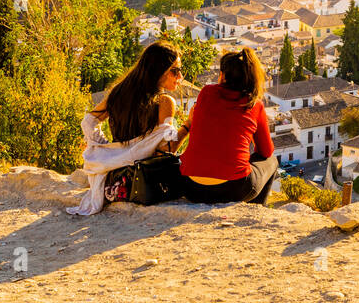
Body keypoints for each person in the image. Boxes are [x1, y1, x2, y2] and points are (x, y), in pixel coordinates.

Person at [67, 41, 187, 215]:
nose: (180, 76)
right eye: (175, 71)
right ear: (158, 70)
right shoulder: (165, 102)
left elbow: (88, 122)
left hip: (113, 181)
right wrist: (188, 126)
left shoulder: (118, 93)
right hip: (142, 182)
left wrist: (109, 150)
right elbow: (166, 149)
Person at [179, 47, 278, 205]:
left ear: (223, 75)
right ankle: (257, 212)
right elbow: (266, 151)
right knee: (272, 161)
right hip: (234, 188)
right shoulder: (254, 104)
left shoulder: (205, 93)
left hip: (191, 186)